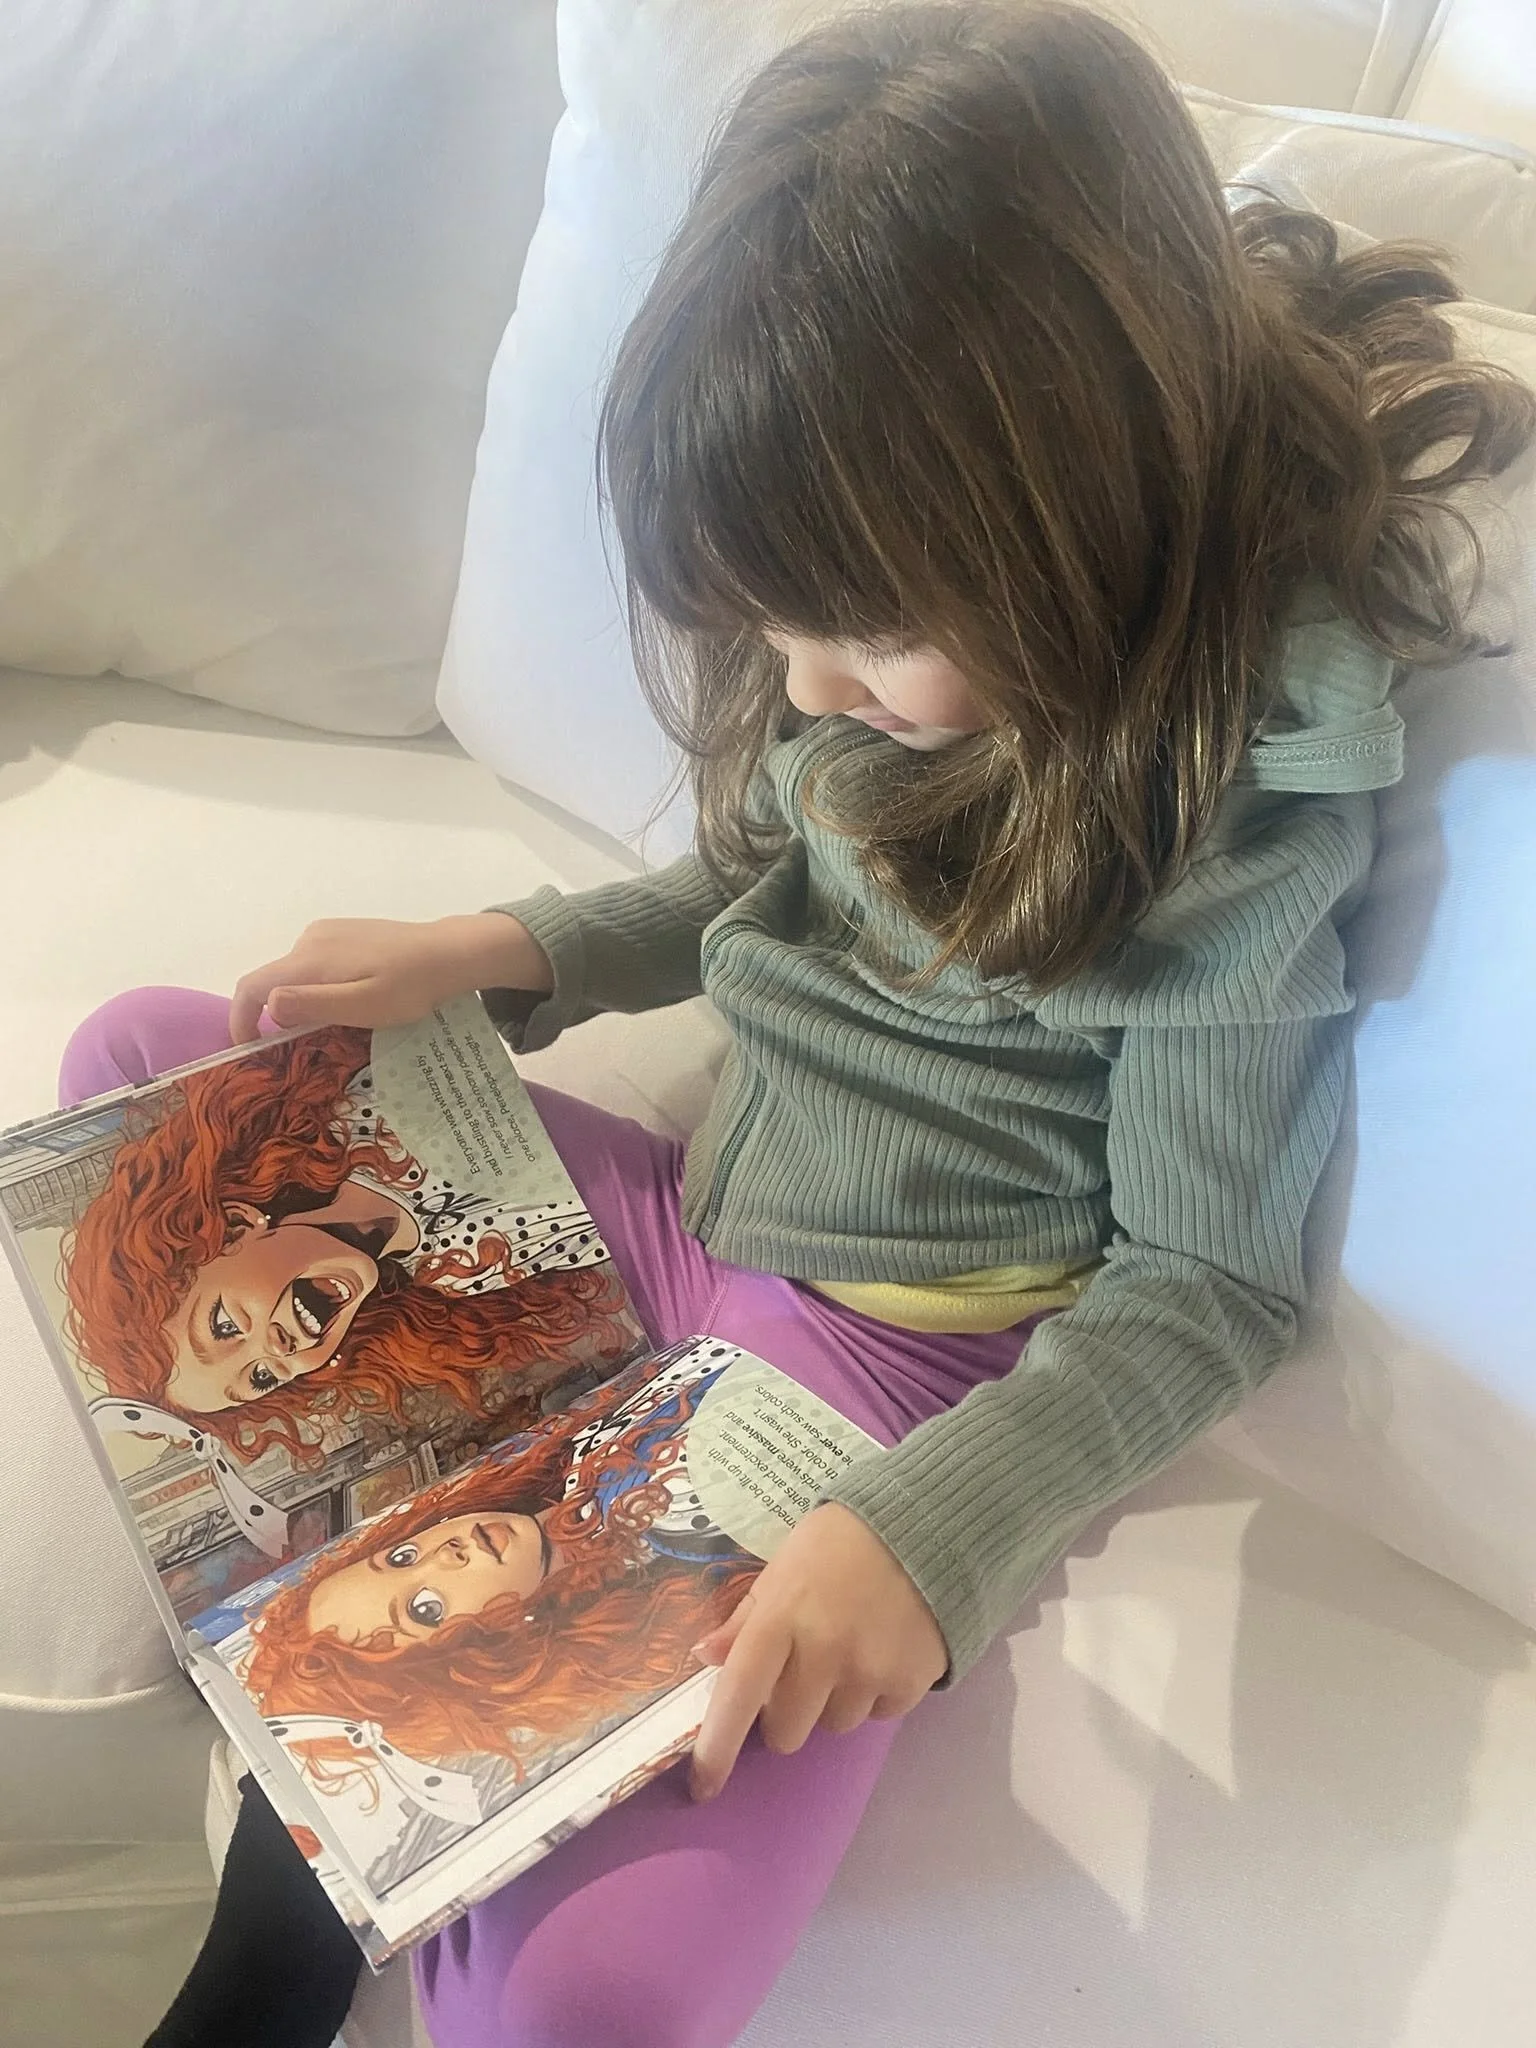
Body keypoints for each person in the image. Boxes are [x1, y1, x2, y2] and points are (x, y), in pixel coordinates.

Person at [67, 6, 1530, 2044]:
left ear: (1075, 517)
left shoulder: (1236, 807)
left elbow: (1207, 1285)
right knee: (149, 1068)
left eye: (865, 634)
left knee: (589, 2010)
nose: (812, 686)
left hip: (876, 1376)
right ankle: (362, 1633)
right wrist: (500, 953)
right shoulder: (876, 661)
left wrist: (924, 1543)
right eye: (777, 627)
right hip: (674, 1224)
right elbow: (749, 885)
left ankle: (376, 1750)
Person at [59, 1017, 635, 1467]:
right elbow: (636, 1214)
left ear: (232, 1227)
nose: (276, 1349)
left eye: (226, 1326)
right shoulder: (461, 1279)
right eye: (260, 1378)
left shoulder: (353, 1104)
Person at [239, 1353, 757, 1779]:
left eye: (401, 1557)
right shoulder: (656, 1509)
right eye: (425, 1608)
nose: (445, 1554)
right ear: (486, 1657)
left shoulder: (576, 1466)